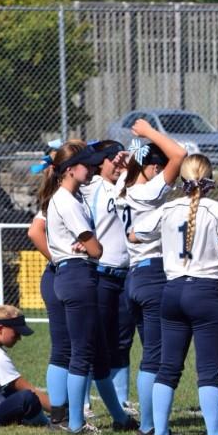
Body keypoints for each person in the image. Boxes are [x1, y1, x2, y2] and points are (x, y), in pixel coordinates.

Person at [133, 154, 218, 435]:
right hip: (205, 291)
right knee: (209, 368)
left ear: (182, 181)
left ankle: (160, 434)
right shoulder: (217, 211)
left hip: (171, 291)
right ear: (209, 181)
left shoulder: (169, 208)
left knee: (168, 366)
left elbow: (134, 234)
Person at [40, 140, 137, 434]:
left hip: (74, 275)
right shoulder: (67, 201)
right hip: (77, 275)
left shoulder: (73, 195)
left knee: (95, 354)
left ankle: (119, 418)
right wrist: (90, 248)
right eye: (87, 164)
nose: (92, 168)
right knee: (81, 352)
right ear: (70, 170)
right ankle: (75, 423)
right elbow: (96, 249)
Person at [117, 120, 186, 435]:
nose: (163, 175)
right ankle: (151, 425)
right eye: (157, 167)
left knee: (149, 354)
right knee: (156, 356)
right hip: (155, 275)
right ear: (152, 166)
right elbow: (180, 154)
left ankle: (148, 422)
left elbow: (136, 162)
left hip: (135, 276)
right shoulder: (147, 191)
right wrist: (148, 132)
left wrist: (136, 146)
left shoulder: (122, 187)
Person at [80, 140, 137, 415]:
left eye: (120, 158)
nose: (117, 163)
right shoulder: (90, 188)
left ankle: (122, 400)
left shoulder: (128, 186)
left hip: (125, 275)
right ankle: (84, 402)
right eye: (112, 159)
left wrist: (133, 159)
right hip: (100, 274)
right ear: (100, 161)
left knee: (123, 339)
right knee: (94, 338)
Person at [28, 141, 73, 428]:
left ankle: (63, 410)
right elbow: (35, 232)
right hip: (61, 274)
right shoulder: (60, 197)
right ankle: (64, 411)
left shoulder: (58, 194)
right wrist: (59, 259)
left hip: (60, 274)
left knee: (65, 347)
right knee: (67, 348)